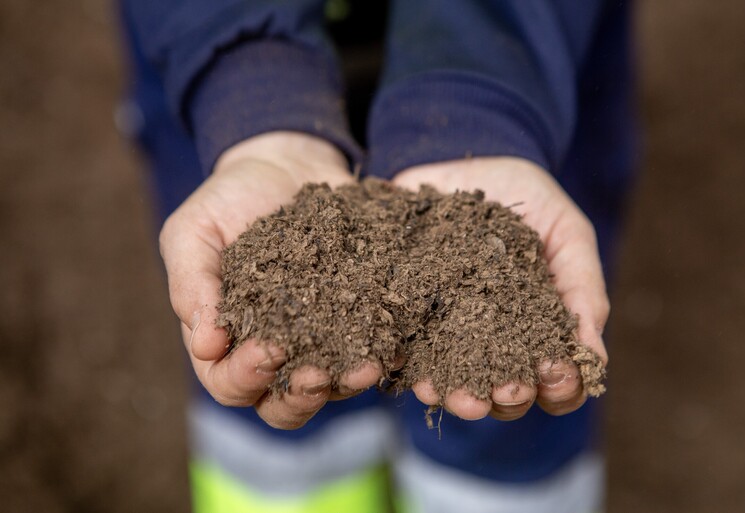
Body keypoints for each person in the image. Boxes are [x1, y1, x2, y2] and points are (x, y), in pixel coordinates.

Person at [119, 1, 636, 511]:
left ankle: (490, 488)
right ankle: (291, 484)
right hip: (212, 76)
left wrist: (476, 112)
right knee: (273, 369)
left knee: (503, 422)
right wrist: (254, 91)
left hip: (525, 83)